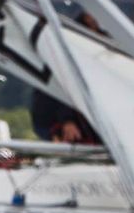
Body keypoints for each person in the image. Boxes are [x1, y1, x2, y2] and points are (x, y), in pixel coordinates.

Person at [30, 11, 103, 144]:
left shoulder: (98, 51)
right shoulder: (66, 55)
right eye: (92, 23)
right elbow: (65, 87)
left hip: (81, 121)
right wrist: (67, 121)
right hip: (55, 119)